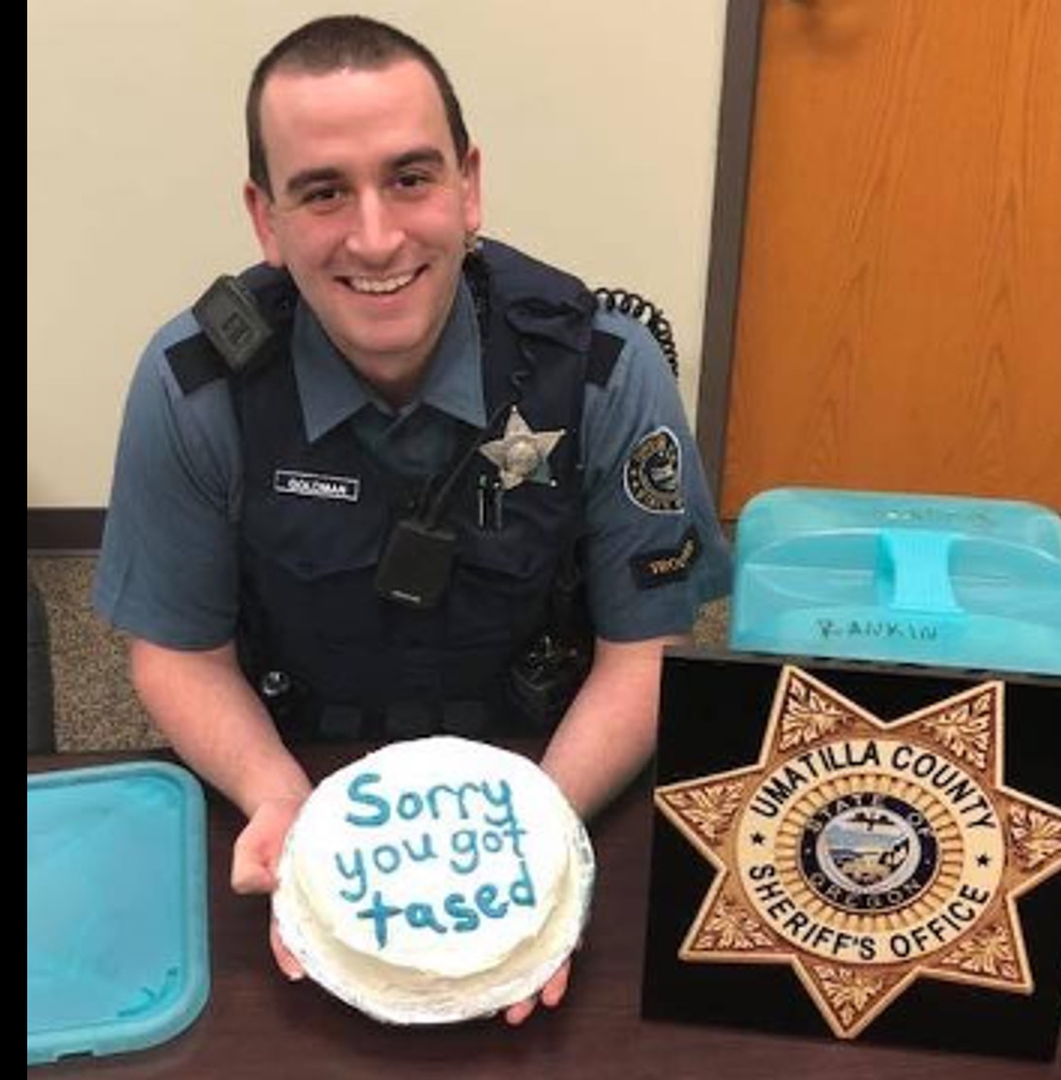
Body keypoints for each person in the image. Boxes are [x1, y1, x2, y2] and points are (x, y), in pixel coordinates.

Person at [92, 14, 731, 1026]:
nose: (377, 237)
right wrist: (285, 810)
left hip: (554, 765)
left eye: (410, 177)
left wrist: (537, 852)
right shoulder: (195, 388)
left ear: (469, 185)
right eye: (322, 191)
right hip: (290, 767)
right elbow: (177, 655)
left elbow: (646, 651)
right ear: (265, 218)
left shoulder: (605, 368)